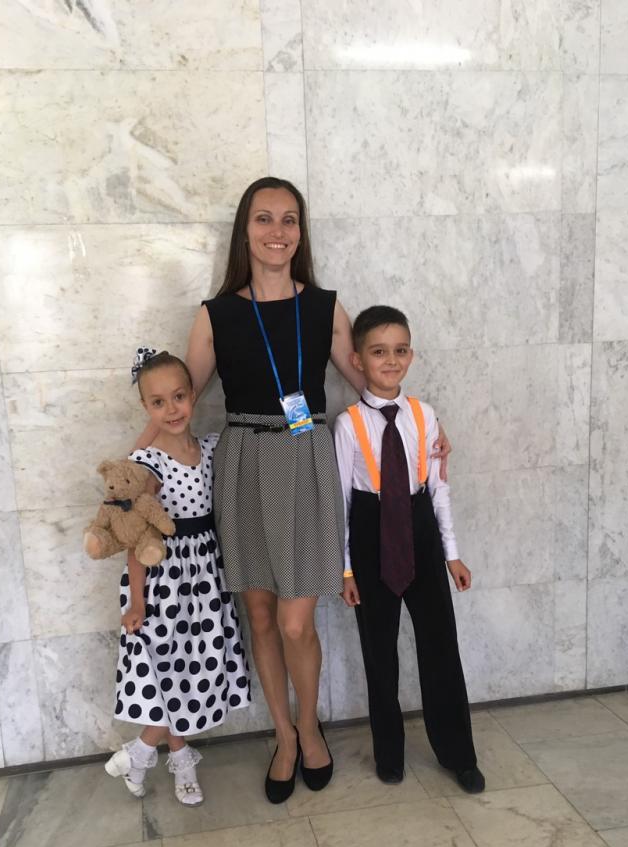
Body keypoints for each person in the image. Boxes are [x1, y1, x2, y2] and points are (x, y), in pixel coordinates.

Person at [140, 177, 451, 804]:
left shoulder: (325, 307)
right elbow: (178, 402)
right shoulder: (216, 314)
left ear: (301, 232)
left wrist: (427, 433)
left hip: (306, 462)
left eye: (289, 219)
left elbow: (372, 382)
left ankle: (311, 728)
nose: (277, 231)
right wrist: (135, 465)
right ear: (245, 230)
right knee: (259, 613)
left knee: (294, 620)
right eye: (264, 218)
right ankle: (284, 736)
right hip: (243, 466)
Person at [334, 305, 484, 793]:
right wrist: (346, 570)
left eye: (400, 351)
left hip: (419, 528)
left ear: (411, 355)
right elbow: (340, 501)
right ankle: (390, 755)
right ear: (358, 360)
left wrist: (451, 553)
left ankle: (458, 753)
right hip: (371, 530)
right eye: (379, 352)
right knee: (379, 652)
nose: (391, 360)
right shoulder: (348, 424)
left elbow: (438, 488)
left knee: (441, 647)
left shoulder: (425, 415)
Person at [105, 347, 250, 806]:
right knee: (169, 672)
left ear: (193, 395)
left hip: (204, 579)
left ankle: (148, 757)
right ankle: (162, 757)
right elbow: (136, 534)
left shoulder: (209, 448)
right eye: (158, 402)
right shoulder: (146, 464)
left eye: (179, 397)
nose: (171, 409)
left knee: (191, 670)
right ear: (145, 407)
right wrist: (138, 600)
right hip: (163, 582)